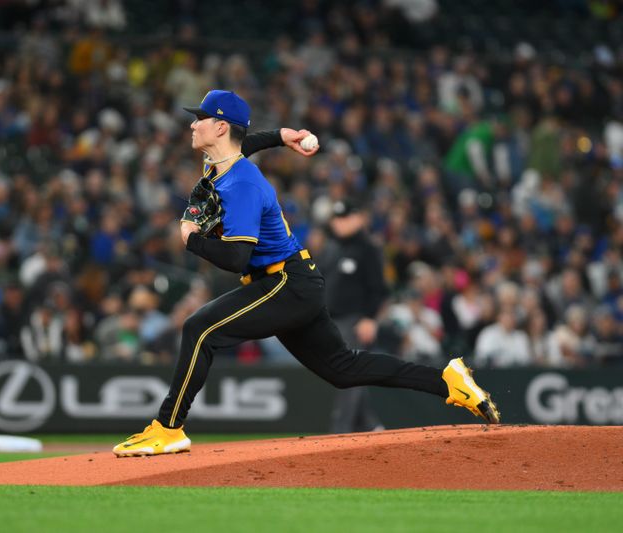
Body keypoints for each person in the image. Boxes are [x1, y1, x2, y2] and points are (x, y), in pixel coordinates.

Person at [113, 90, 500, 457]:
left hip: (283, 282)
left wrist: (192, 240)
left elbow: (235, 258)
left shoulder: (242, 183)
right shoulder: (221, 160)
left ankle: (168, 428)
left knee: (199, 328)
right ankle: (447, 380)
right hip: (294, 279)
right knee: (342, 369)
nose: (193, 125)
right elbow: (247, 143)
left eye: (200, 118)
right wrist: (283, 136)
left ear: (220, 127)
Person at [319, 197, 389, 433]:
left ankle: (341, 431)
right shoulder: (331, 247)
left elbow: (378, 288)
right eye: (337, 218)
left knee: (346, 373)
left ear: (358, 218)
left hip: (354, 320)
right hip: (331, 321)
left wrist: (370, 318)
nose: (341, 223)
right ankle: (371, 425)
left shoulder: (368, 248)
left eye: (346, 217)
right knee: (349, 374)